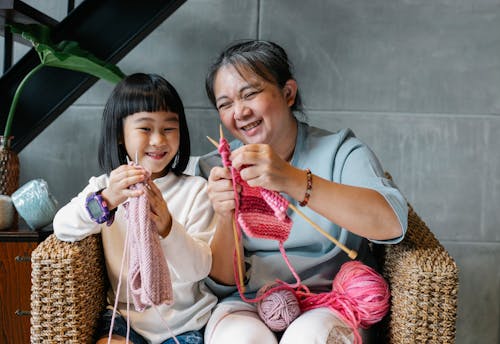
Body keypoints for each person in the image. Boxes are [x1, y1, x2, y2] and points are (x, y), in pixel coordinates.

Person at [196, 40, 408, 343]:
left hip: (332, 302)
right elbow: (222, 282)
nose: (239, 112)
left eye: (250, 94)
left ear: (288, 93)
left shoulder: (342, 152)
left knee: (309, 336)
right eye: (225, 104)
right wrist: (223, 215)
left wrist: (294, 180)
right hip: (247, 304)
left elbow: (392, 224)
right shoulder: (214, 170)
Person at [53, 73, 217, 344]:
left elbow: (199, 269)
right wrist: (106, 200)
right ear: (120, 134)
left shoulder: (196, 190)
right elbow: (63, 227)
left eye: (168, 128)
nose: (158, 141)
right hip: (124, 319)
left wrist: (167, 226)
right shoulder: (106, 186)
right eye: (145, 129)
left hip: (185, 323)